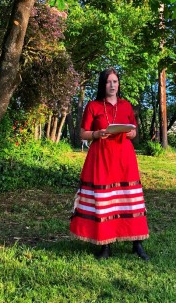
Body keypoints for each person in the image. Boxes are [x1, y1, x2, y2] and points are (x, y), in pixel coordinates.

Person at [70, 67, 150, 260]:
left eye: (115, 81)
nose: (112, 85)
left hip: (124, 159)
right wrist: (97, 134)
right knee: (104, 200)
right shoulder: (93, 106)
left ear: (118, 84)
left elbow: (134, 131)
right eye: (108, 82)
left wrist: (132, 133)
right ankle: (105, 245)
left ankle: (136, 244)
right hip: (101, 158)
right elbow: (83, 133)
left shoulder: (126, 106)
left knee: (130, 198)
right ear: (103, 84)